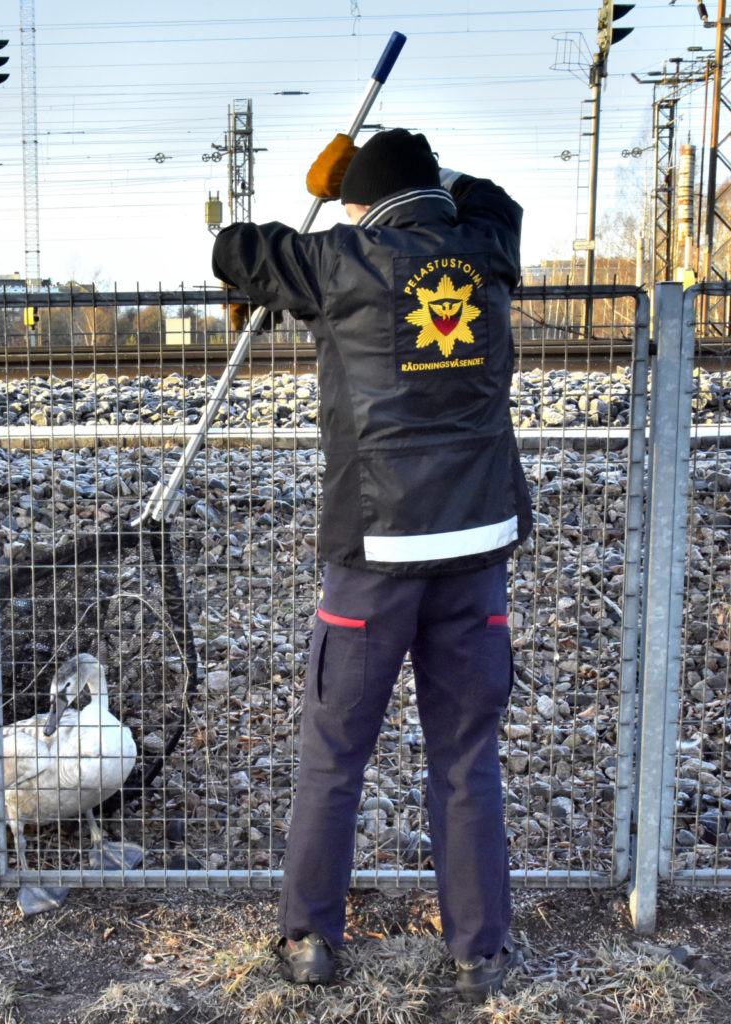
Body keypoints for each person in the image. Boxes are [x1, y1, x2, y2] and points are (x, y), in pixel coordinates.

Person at [211, 128, 531, 1002]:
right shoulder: (486, 243)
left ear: (361, 202)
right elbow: (489, 193)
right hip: (475, 546)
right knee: (467, 755)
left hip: (375, 553)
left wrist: (329, 182)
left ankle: (311, 936)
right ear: (433, 192)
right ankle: (479, 952)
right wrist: (408, 176)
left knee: (335, 754)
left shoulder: (340, 258)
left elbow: (233, 249)